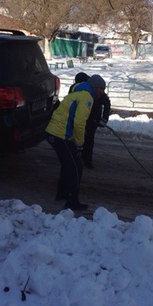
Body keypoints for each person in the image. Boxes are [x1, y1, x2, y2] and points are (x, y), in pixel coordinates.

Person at [45, 74, 107, 211]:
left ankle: (62, 194)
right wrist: (79, 144)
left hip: (54, 132)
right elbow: (79, 123)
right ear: (95, 87)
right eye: (101, 89)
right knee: (75, 167)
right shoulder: (87, 97)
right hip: (60, 134)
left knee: (68, 164)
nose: (102, 93)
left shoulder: (78, 92)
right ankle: (72, 201)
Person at [82, 85, 111, 169]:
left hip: (92, 120)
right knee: (84, 138)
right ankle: (83, 158)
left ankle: (86, 159)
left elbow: (107, 103)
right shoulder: (85, 91)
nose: (101, 91)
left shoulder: (98, 91)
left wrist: (104, 119)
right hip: (84, 118)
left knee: (89, 139)